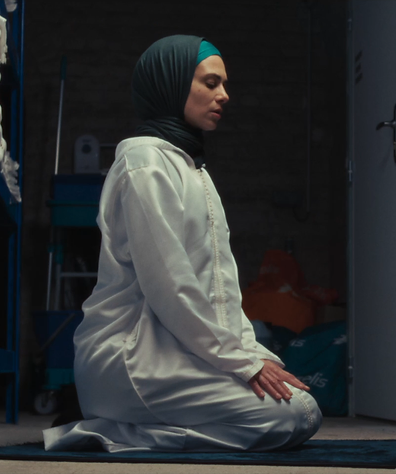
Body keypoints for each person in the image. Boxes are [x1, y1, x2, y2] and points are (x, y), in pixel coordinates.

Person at [42, 35, 322, 452]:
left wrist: (251, 353)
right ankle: (104, 429)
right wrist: (241, 363)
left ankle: (121, 426)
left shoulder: (195, 171)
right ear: (169, 85)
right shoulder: (143, 163)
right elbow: (169, 285)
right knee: (293, 414)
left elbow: (222, 289)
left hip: (181, 352)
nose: (224, 95)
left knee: (302, 407)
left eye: (224, 84)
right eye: (210, 83)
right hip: (130, 357)